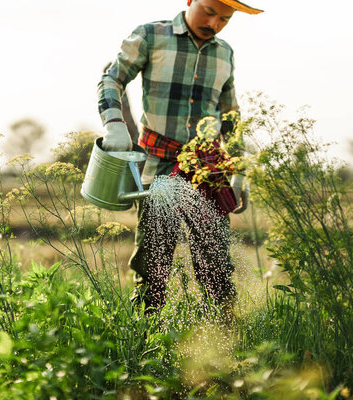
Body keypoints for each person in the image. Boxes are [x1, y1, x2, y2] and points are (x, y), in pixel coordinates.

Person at [97, 0, 262, 315]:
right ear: (190, 0)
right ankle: (148, 342)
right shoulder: (151, 36)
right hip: (160, 168)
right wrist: (114, 124)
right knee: (153, 267)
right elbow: (111, 78)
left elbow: (230, 116)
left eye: (224, 19)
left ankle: (224, 343)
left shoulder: (224, 53)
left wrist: (239, 170)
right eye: (209, 12)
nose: (213, 24)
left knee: (216, 269)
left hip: (208, 172)